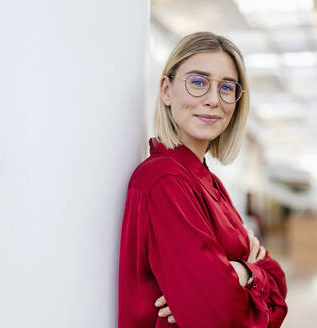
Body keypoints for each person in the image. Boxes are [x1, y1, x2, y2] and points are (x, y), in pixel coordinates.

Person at [118, 31, 288, 327]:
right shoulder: (164, 181)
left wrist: (242, 273)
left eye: (226, 87)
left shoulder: (208, 182)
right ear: (166, 90)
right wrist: (251, 271)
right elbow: (221, 316)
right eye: (198, 82)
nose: (213, 100)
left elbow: (279, 285)